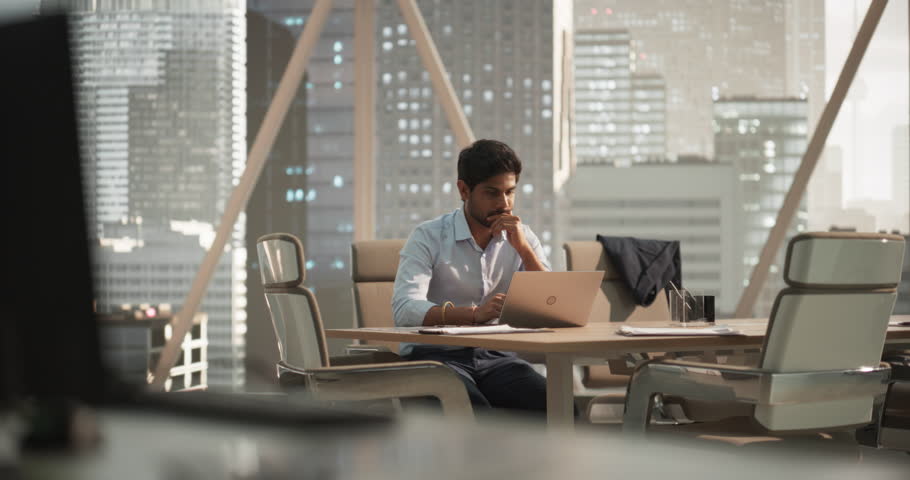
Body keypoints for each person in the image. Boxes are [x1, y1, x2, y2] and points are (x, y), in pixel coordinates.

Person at [392, 139, 549, 414]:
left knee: (557, 407)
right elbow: (405, 310)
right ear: (464, 190)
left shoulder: (523, 239)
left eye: (510, 192)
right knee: (473, 411)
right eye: (492, 193)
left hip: (497, 357)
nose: (504, 204)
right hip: (436, 356)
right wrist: (473, 315)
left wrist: (524, 250)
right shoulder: (428, 237)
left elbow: (551, 301)